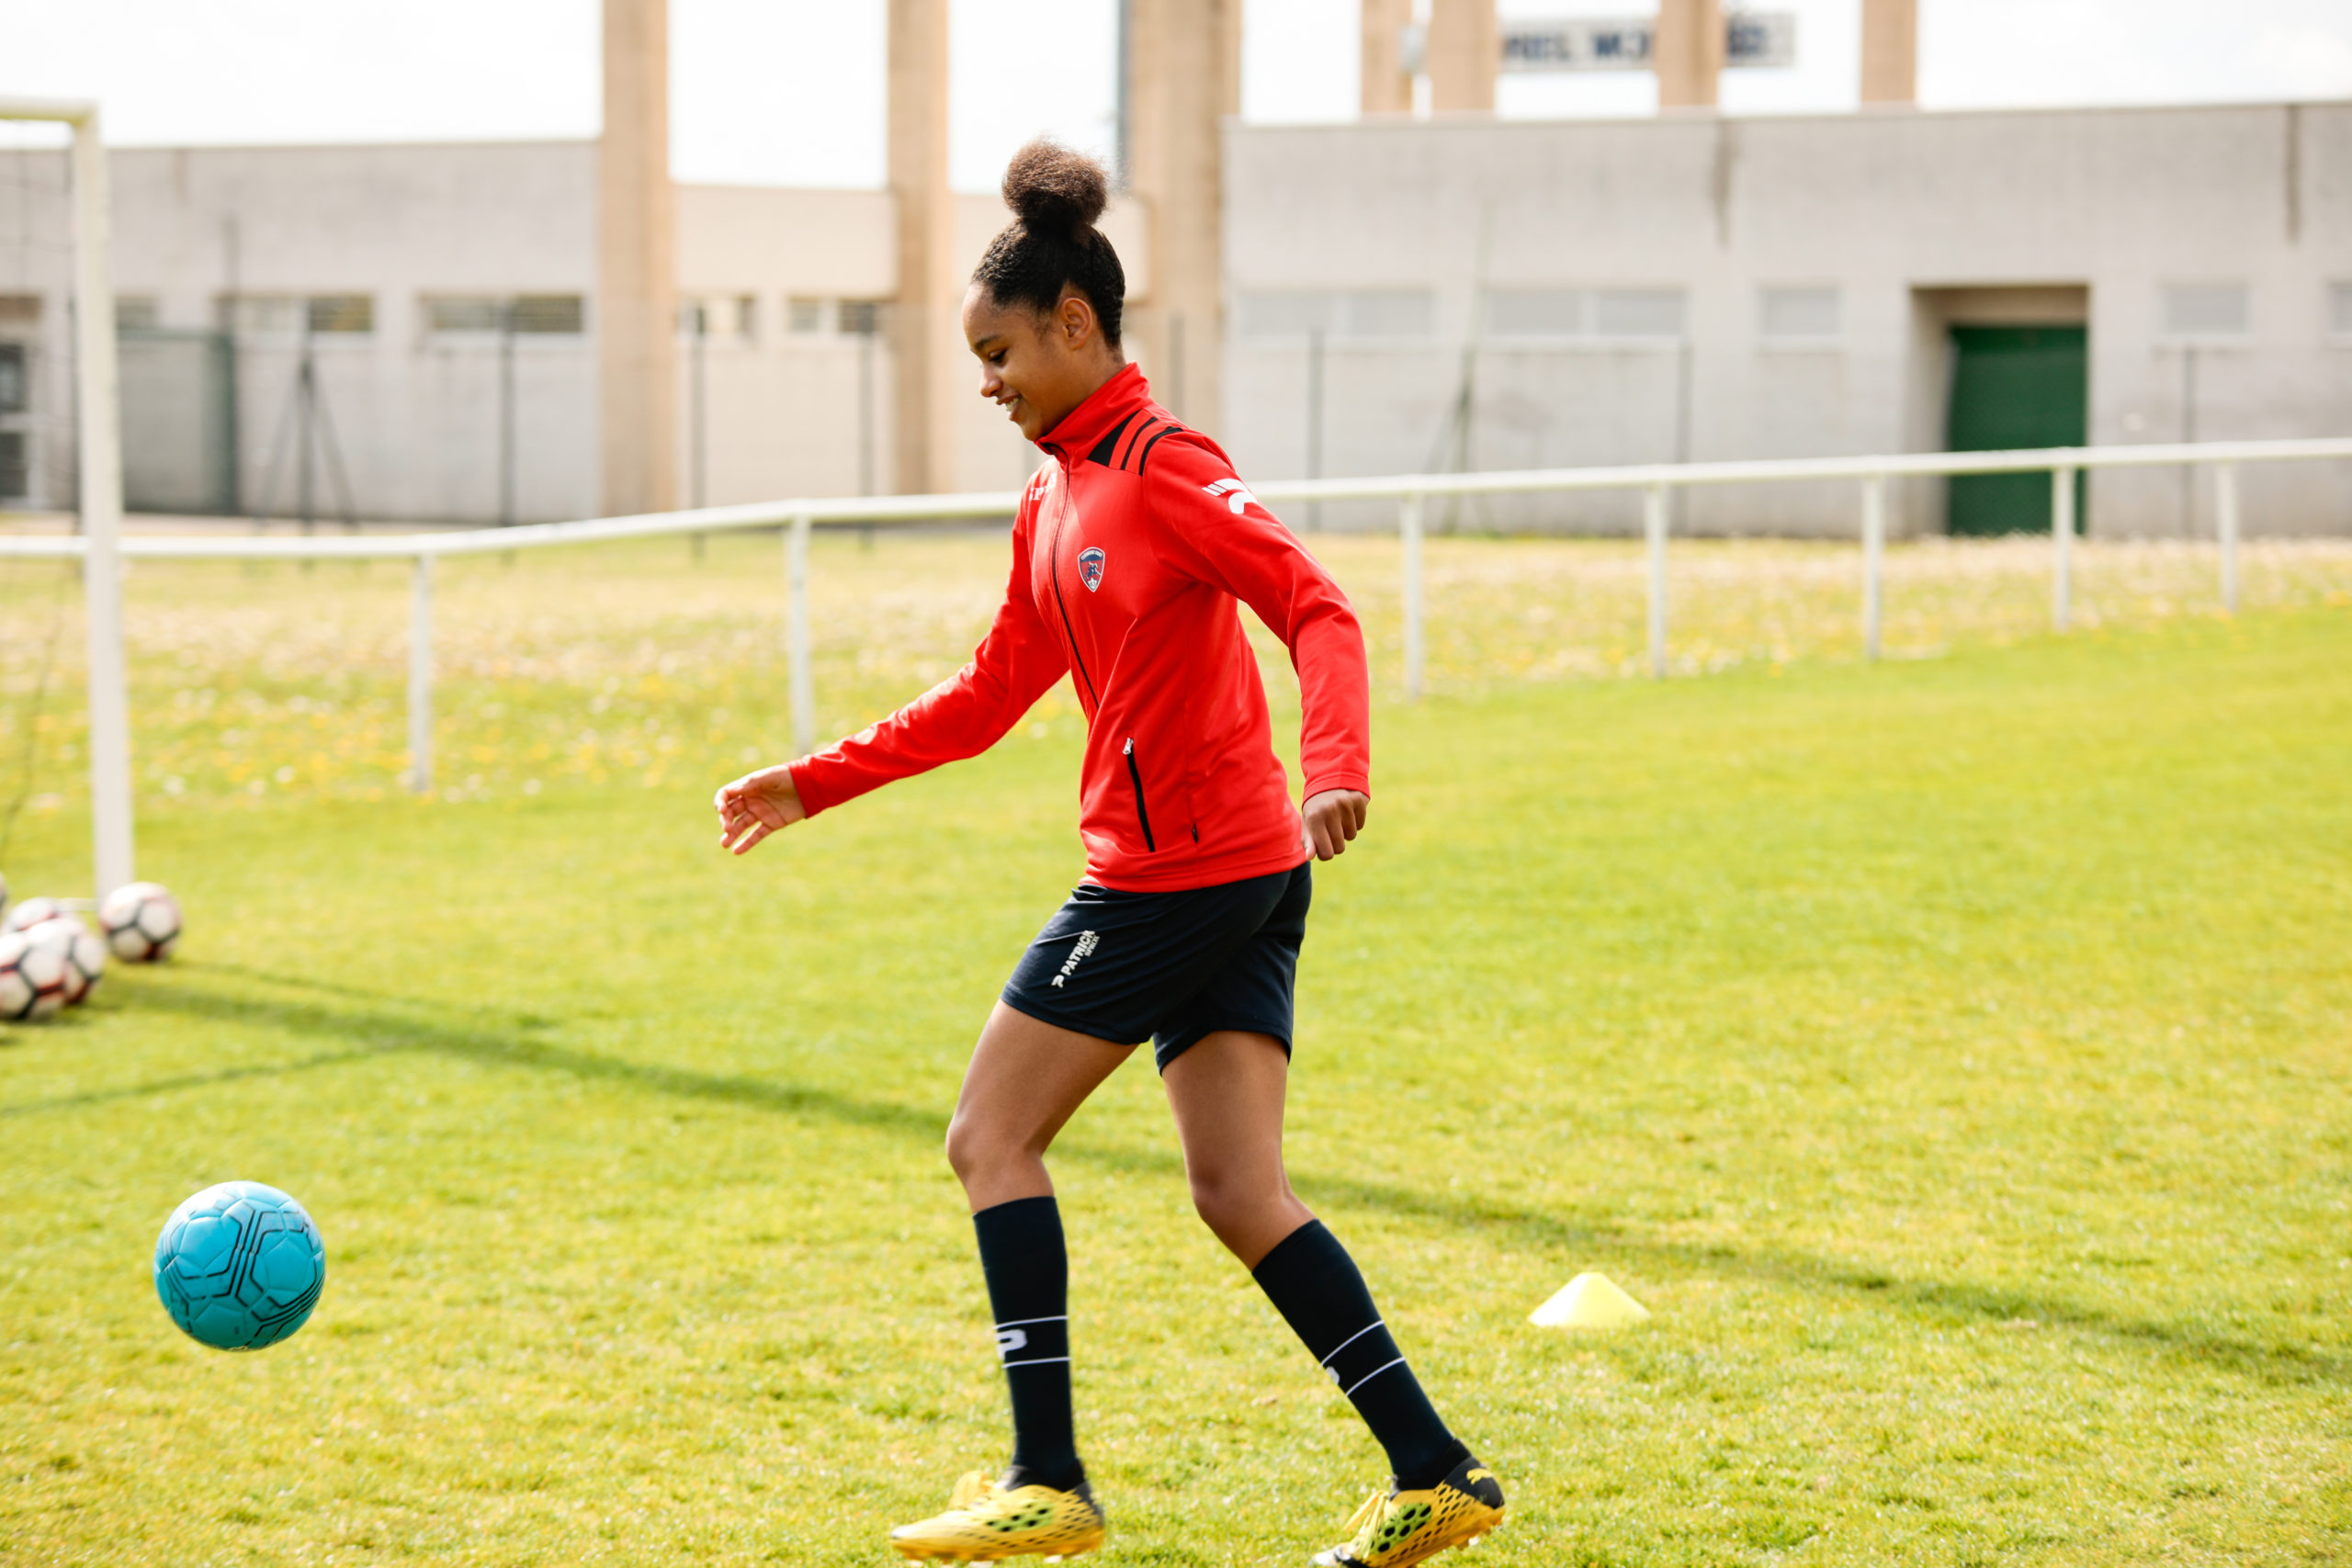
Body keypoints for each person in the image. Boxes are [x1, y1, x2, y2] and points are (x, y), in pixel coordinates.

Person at [713, 141, 1504, 1568]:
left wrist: (1337, 769)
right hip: (1236, 874)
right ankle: (1435, 1472)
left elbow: (1319, 612)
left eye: (1000, 351)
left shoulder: (1165, 467)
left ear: (1077, 324)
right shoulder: (1050, 496)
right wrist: (810, 782)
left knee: (988, 1137)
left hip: (1182, 875)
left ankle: (1048, 1474)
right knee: (1237, 1190)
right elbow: (984, 698)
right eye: (977, 357)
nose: (988, 383)